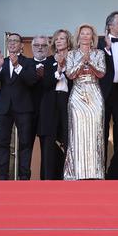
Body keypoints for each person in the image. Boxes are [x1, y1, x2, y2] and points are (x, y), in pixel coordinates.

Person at [0, 32, 38, 180]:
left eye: (15, 41)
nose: (11, 43)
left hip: (23, 108)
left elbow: (32, 81)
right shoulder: (1, 62)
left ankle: (24, 177)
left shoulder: (28, 62)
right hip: (4, 108)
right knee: (3, 143)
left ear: (21, 45)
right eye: (10, 41)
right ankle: (3, 176)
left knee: (24, 143)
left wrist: (17, 65)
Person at [63, 24, 105, 180]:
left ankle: (95, 172)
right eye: (83, 33)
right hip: (78, 94)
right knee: (77, 133)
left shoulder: (99, 53)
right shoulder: (72, 54)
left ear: (92, 37)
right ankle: (76, 173)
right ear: (78, 36)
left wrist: (91, 62)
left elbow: (101, 73)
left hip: (94, 93)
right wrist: (82, 61)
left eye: (89, 34)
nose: (86, 36)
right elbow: (70, 74)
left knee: (96, 133)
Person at [99, 11, 118, 179]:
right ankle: (99, 171)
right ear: (110, 26)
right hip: (103, 93)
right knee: (101, 133)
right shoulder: (98, 44)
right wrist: (108, 50)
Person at [29, 34, 60, 179]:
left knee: (48, 149)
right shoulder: (25, 63)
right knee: (25, 147)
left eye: (43, 45)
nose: (40, 48)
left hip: (48, 111)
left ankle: (47, 181)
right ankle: (23, 180)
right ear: (32, 47)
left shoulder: (54, 62)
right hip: (28, 111)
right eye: (37, 45)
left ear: (48, 48)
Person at [48, 29, 73, 178]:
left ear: (68, 41)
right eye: (56, 38)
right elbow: (46, 83)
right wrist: (58, 70)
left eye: (62, 38)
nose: (58, 41)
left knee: (67, 138)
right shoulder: (49, 59)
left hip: (68, 100)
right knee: (51, 139)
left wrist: (65, 67)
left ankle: (68, 174)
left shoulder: (74, 57)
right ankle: (52, 176)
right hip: (52, 101)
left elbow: (75, 80)